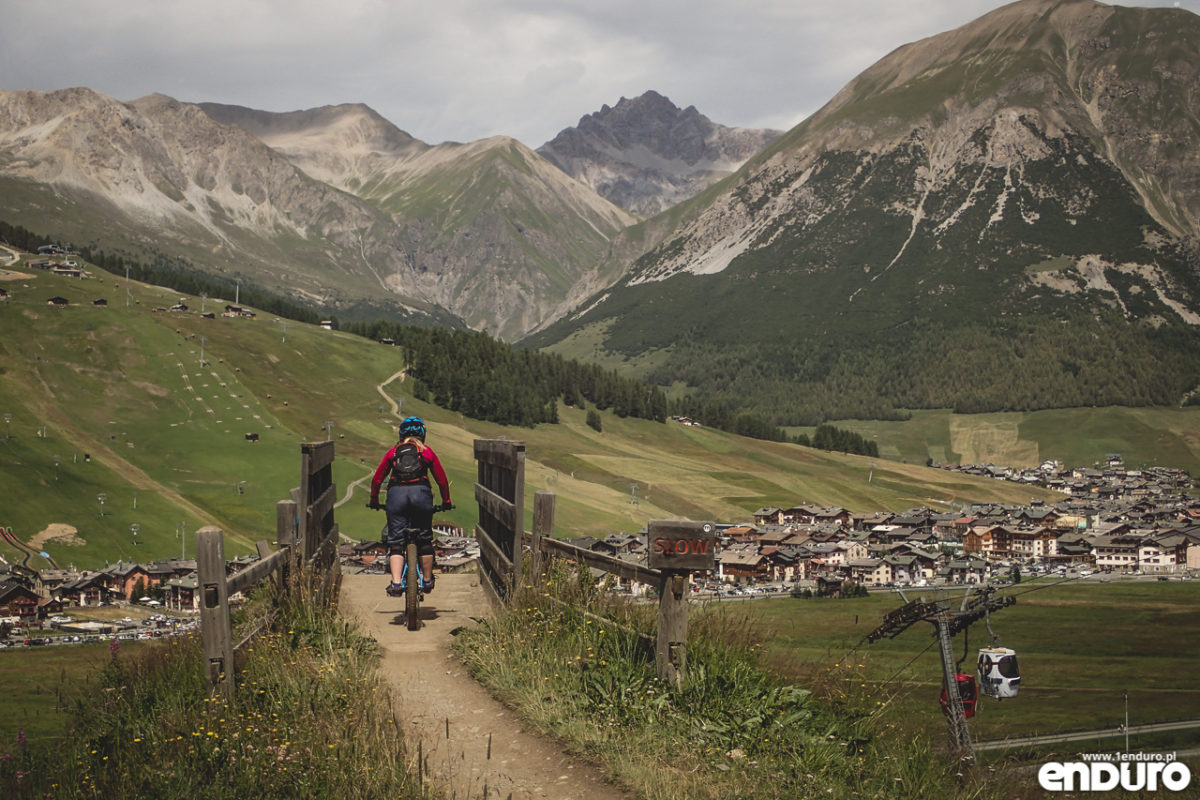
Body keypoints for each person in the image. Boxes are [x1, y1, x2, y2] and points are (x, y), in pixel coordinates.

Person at [368, 416, 452, 595]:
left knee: (396, 542)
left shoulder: (393, 452)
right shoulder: (426, 452)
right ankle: (428, 580)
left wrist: (374, 500)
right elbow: (442, 480)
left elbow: (377, 479)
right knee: (424, 539)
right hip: (421, 495)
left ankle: (396, 583)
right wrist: (446, 501)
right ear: (423, 433)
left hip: (396, 496)